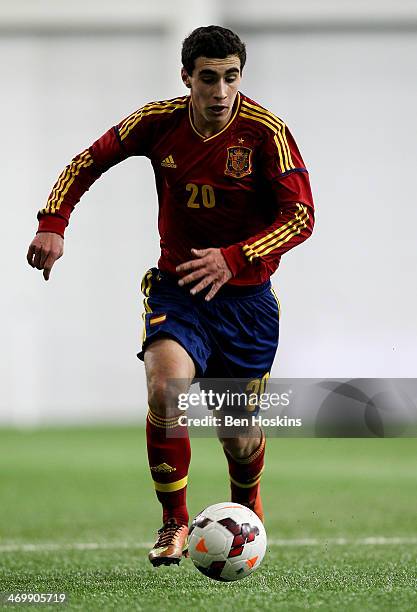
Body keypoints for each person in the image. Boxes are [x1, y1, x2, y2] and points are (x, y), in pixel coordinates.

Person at [27, 25, 314, 567]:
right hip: (178, 292)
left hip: (246, 306)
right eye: (209, 78)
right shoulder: (157, 122)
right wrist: (53, 222)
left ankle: (245, 509)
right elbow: (87, 161)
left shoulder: (266, 133)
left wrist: (233, 258)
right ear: (187, 77)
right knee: (166, 389)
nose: (221, 91)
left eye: (231, 77)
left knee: (240, 438)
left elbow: (301, 216)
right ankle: (173, 522)